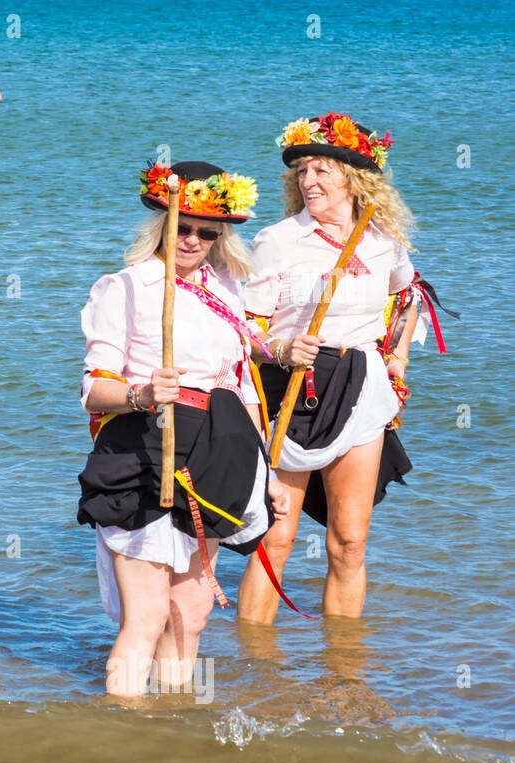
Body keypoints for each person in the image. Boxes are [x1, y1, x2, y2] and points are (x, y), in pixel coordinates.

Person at [77, 161, 287, 697]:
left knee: (189, 616)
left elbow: (242, 390)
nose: (192, 239)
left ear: (220, 236)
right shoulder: (124, 286)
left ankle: (175, 726)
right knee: (146, 619)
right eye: (182, 226)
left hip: (220, 450)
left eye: (206, 231)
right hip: (144, 447)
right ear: (161, 224)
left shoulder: (227, 289)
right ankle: (127, 731)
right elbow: (92, 391)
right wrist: (140, 394)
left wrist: (268, 474)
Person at [237, 113, 429, 624]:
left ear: (354, 178)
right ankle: (255, 665)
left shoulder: (383, 237)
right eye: (302, 172)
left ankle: (342, 668)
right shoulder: (278, 240)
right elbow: (244, 330)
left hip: (363, 386)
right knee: (275, 538)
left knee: (349, 542)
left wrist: (398, 356)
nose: (308, 182)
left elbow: (407, 299)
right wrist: (280, 350)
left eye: (321, 171)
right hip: (293, 388)